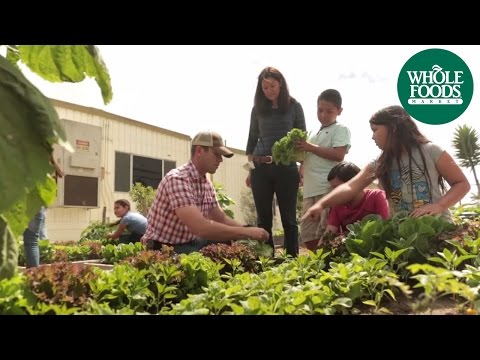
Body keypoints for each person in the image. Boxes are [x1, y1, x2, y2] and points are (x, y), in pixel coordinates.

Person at [303, 105, 470, 224]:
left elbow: (462, 183)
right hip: (403, 233)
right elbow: (350, 187)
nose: (372, 137)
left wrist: (440, 205)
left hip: (439, 229)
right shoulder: (380, 163)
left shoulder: (431, 151)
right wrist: (322, 204)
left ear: (394, 128)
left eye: (375, 130)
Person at [142, 130, 269, 254]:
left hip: (189, 242)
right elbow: (199, 227)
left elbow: (220, 218)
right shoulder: (178, 179)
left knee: (226, 242)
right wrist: (247, 233)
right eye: (216, 154)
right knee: (223, 246)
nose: (220, 160)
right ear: (199, 151)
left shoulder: (206, 184)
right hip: (164, 248)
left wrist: (247, 229)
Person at [245, 67, 306, 257]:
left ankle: (292, 260)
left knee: (289, 218)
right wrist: (250, 170)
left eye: (272, 85)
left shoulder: (294, 106)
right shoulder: (257, 110)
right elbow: (251, 140)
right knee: (263, 218)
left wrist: (302, 166)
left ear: (280, 83)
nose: (269, 90)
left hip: (286, 168)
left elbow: (301, 140)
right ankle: (266, 259)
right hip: (260, 168)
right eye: (264, 87)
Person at [295, 89, 351, 251]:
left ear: (339, 111)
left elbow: (339, 154)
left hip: (327, 189)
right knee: (308, 233)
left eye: (329, 111)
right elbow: (308, 157)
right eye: (320, 110)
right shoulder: (313, 133)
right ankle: (319, 262)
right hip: (310, 190)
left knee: (327, 232)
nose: (323, 114)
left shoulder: (340, 129)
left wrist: (310, 147)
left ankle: (329, 265)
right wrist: (301, 169)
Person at [317, 161, 389, 247]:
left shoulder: (377, 197)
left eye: (337, 188)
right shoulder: (337, 205)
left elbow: (386, 227)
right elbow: (329, 232)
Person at [23, 155, 64, 268]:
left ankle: (32, 275)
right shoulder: (45, 164)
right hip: (40, 204)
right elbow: (61, 173)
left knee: (30, 240)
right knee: (32, 240)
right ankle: (33, 276)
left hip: (29, 202)